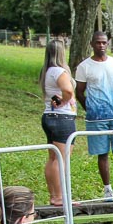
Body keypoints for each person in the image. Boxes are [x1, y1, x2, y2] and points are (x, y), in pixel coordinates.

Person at [75, 31, 113, 202]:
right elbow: (79, 92)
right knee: (102, 153)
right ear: (92, 44)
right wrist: (90, 107)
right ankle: (107, 189)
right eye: (98, 43)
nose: (101, 46)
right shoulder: (84, 66)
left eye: (104, 43)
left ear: (108, 43)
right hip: (96, 118)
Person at [38, 39, 77, 206]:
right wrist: (64, 101)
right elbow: (67, 90)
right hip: (62, 118)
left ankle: (55, 195)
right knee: (62, 158)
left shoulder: (47, 71)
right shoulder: (60, 71)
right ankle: (60, 196)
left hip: (49, 116)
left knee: (53, 157)